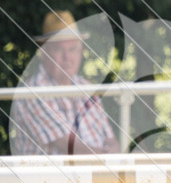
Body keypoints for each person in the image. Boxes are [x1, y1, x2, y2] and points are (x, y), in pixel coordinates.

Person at [11, 10, 118, 156]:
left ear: (80, 52)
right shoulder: (33, 92)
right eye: (59, 50)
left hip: (93, 173)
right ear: (44, 53)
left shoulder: (86, 87)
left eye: (72, 49)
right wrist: (107, 160)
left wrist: (114, 151)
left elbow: (110, 139)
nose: (67, 57)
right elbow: (68, 147)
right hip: (51, 178)